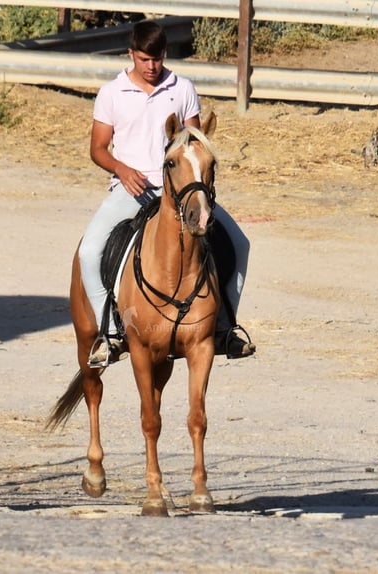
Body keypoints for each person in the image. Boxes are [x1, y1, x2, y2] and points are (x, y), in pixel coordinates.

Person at [79, 19, 256, 367]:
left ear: (164, 55)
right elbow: (98, 148)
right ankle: (111, 332)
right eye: (144, 59)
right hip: (131, 190)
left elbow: (194, 144)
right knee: (88, 252)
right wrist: (122, 170)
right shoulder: (112, 93)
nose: (151, 67)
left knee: (239, 243)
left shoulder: (182, 88)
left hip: (181, 191)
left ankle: (224, 326)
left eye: (157, 59)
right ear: (131, 54)